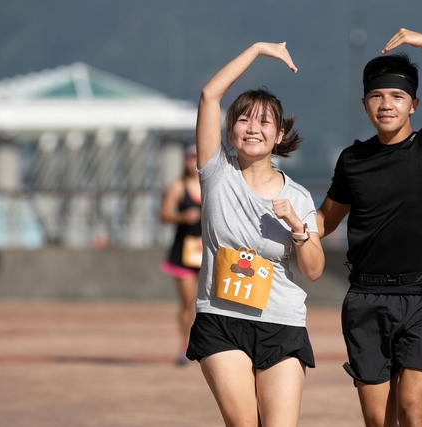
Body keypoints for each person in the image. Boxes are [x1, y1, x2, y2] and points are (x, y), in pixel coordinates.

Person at [317, 28, 422, 427]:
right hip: (366, 299)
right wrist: (278, 226)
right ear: (364, 104)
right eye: (376, 96)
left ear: (413, 105)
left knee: (413, 408)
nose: (386, 104)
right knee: (380, 422)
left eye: (397, 96)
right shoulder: (352, 159)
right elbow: (325, 220)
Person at [186, 42, 325, 426]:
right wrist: (258, 50)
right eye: (244, 120)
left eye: (264, 123)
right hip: (220, 319)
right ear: (231, 130)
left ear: (279, 135)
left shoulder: (297, 195)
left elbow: (313, 270)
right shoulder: (216, 172)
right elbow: (209, 95)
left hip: (282, 322)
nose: (253, 129)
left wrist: (299, 229)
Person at [159, 145, 202, 366]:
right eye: (190, 157)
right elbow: (164, 215)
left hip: (210, 253)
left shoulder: (213, 185)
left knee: (211, 304)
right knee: (188, 302)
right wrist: (182, 217)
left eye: (197, 156)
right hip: (184, 253)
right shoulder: (178, 186)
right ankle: (184, 345)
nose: (193, 161)